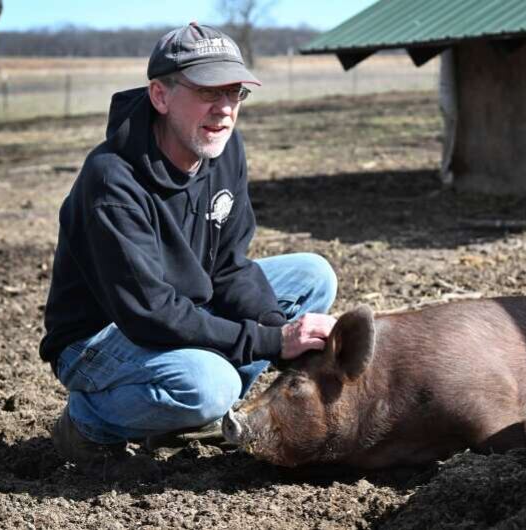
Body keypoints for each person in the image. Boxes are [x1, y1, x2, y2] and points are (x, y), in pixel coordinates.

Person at [39, 21, 338, 482]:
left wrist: (282, 330)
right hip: (101, 336)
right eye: (207, 92)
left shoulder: (223, 149)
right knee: (208, 386)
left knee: (313, 275)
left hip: (178, 306)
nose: (224, 109)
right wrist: (270, 343)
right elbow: (150, 313)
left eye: (235, 92)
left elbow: (230, 266)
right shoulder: (112, 181)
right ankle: (88, 424)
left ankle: (187, 415)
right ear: (160, 96)